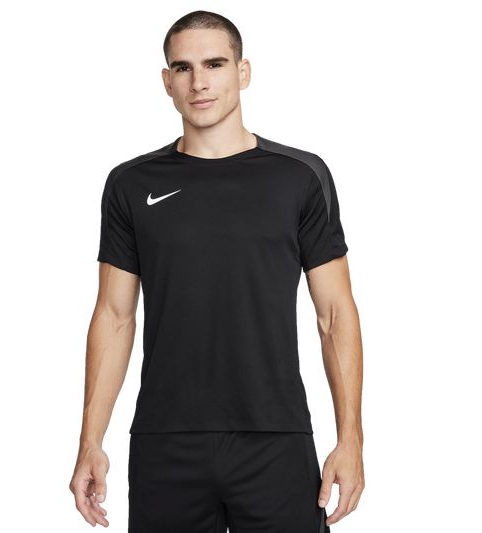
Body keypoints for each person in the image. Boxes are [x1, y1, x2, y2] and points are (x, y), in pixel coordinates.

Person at [67, 7, 367, 532]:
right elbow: (113, 317)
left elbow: (336, 316)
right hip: (165, 441)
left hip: (276, 440)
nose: (198, 82)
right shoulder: (130, 183)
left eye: (214, 64)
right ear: (165, 81)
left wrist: (351, 441)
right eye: (182, 68)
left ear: (245, 71)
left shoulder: (301, 175)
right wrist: (90, 441)